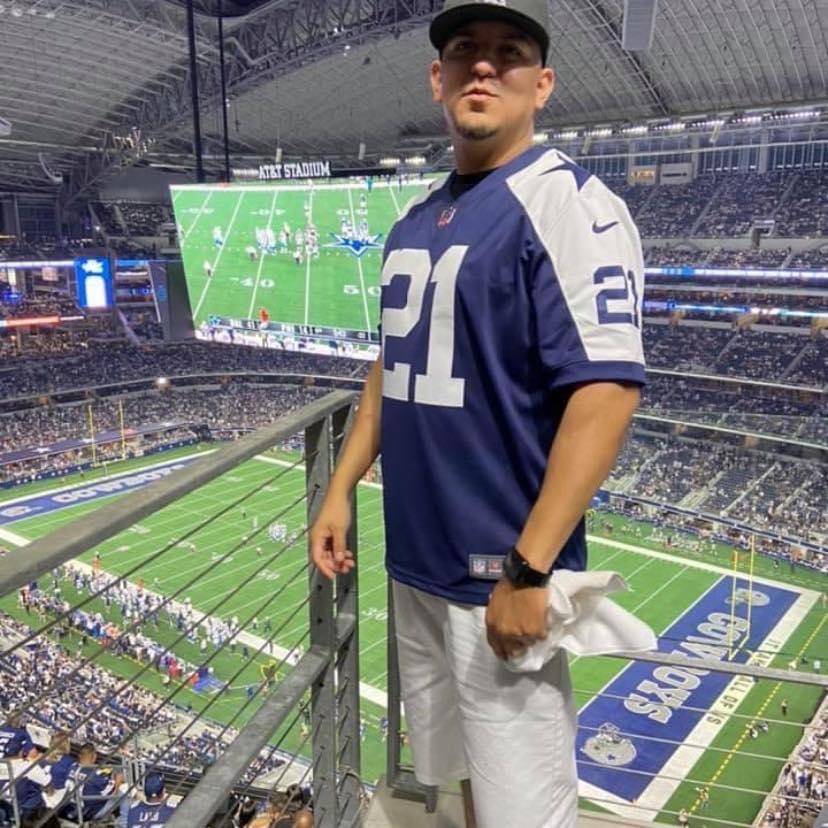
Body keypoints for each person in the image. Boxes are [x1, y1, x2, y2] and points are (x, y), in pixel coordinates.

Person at [309, 1, 644, 826]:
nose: (484, 67)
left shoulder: (569, 203)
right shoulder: (414, 221)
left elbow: (606, 391)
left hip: (497, 567)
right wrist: (342, 485)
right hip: (417, 561)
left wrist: (528, 570)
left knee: (525, 805)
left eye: (509, 54)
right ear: (438, 80)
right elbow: (392, 364)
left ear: (543, 84)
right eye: (465, 52)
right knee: (459, 780)